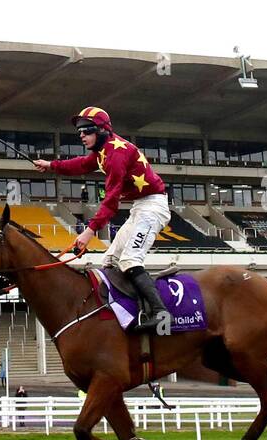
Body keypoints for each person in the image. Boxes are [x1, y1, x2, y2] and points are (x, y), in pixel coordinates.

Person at [34, 106, 172, 332]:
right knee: (108, 261)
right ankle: (128, 310)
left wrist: (89, 232)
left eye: (86, 131)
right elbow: (80, 164)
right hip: (140, 207)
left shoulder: (116, 155)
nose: (81, 136)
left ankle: (160, 312)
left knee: (129, 259)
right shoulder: (103, 151)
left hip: (153, 207)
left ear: (102, 131)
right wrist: (50, 165)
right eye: (79, 132)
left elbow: (111, 200)